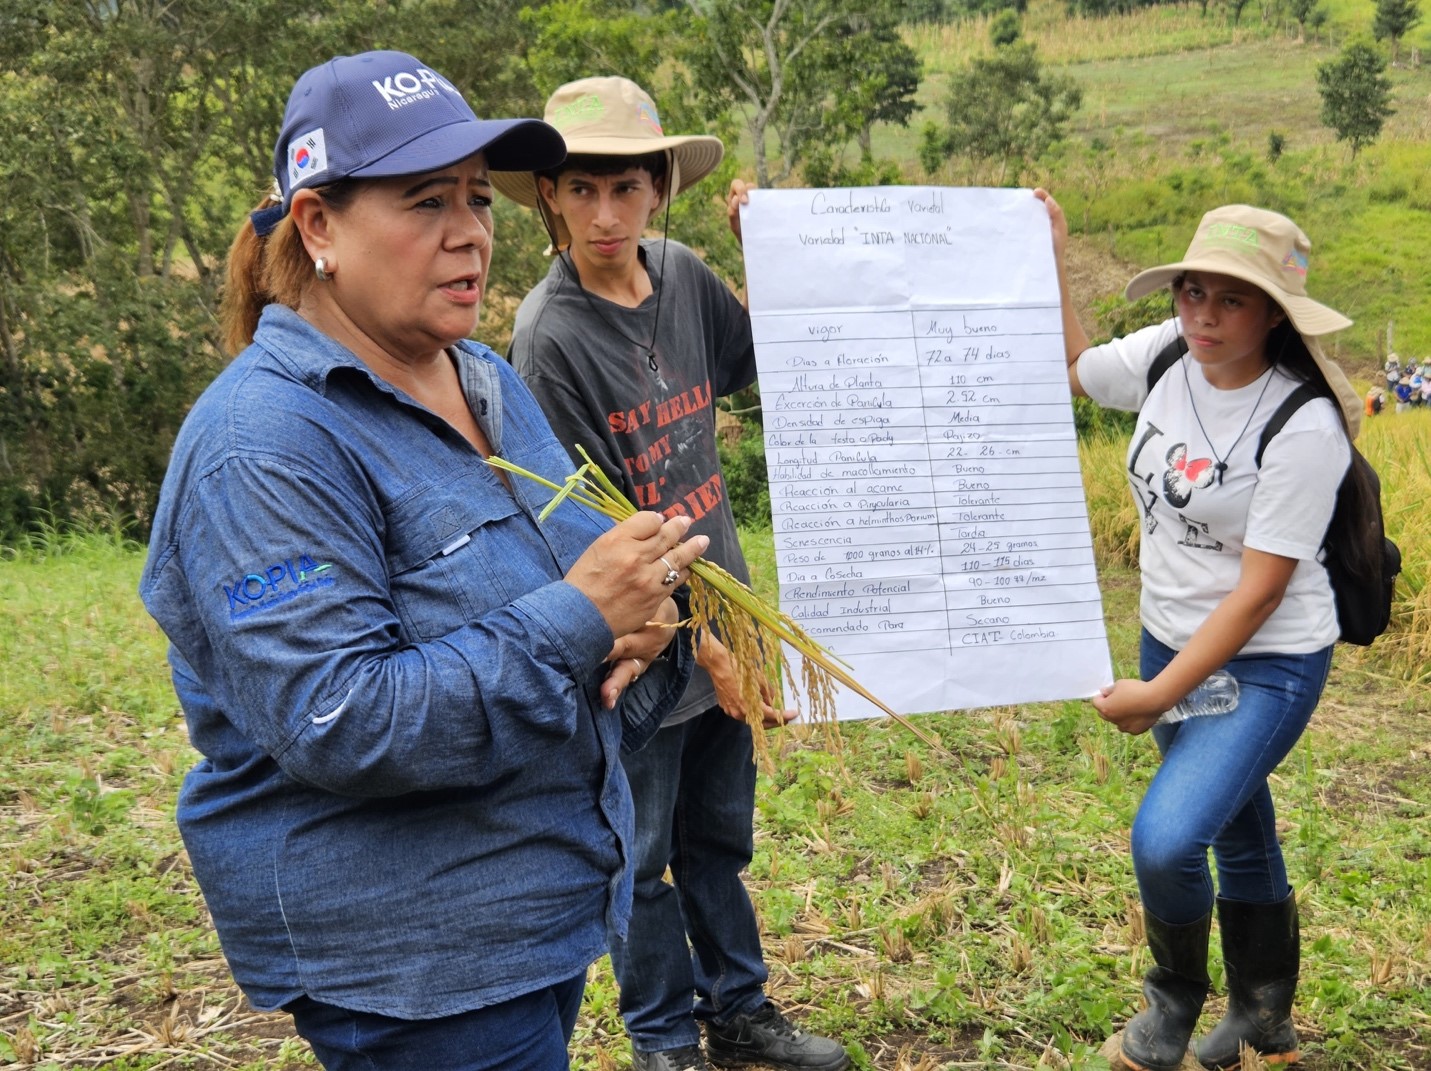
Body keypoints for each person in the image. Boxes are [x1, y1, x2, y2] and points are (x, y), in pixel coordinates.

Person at [140, 51, 709, 1071]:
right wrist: (583, 619)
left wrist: (648, 620)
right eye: (424, 201)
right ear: (318, 227)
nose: (469, 234)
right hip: (417, 973)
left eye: (479, 199)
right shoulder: (264, 445)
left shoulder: (483, 379)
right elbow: (342, 720)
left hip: (538, 915)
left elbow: (580, 591)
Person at [494, 77, 849, 1071]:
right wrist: (703, 647)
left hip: (723, 615)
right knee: (638, 858)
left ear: (659, 189)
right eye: (579, 190)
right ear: (551, 200)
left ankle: (739, 1012)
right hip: (639, 643)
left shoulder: (686, 277)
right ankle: (662, 1039)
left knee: (718, 842)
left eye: (625, 188)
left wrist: (767, 259)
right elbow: (587, 536)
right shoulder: (549, 336)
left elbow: (774, 360)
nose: (604, 215)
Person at [1037, 193, 1361, 1071]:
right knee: (1235, 826)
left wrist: (1158, 693)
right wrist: (1055, 249)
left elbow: (1258, 594)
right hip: (1166, 634)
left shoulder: (1304, 424)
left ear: (1274, 314)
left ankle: (1169, 1007)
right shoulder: (1166, 355)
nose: (1203, 316)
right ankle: (1264, 1017)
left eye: (1230, 299)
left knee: (1169, 835)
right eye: (1190, 292)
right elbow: (1075, 366)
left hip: (1266, 660)